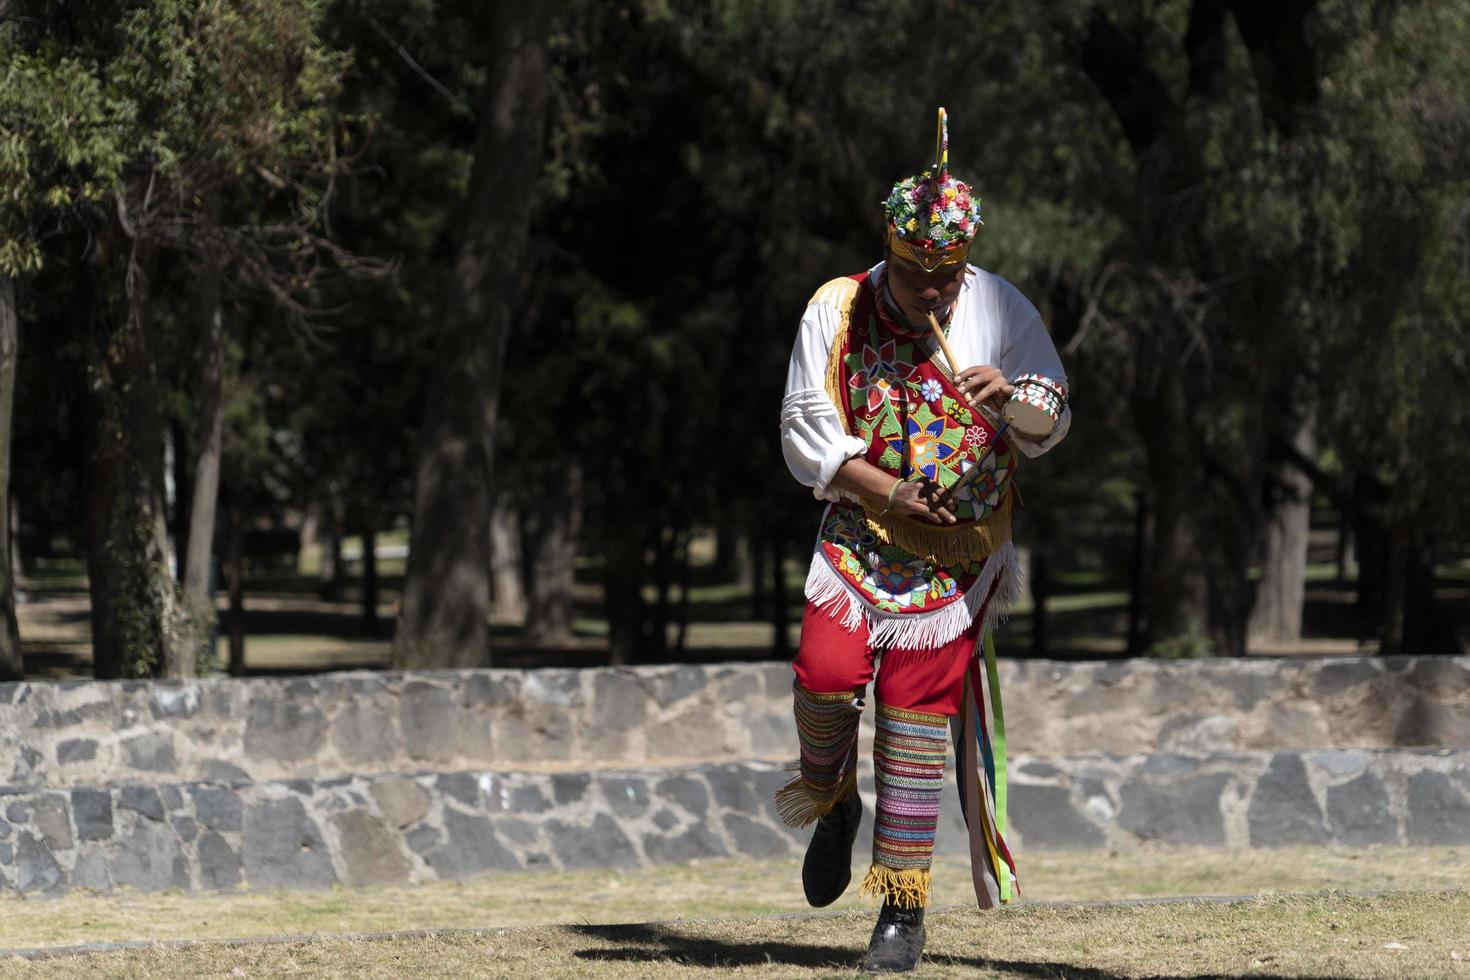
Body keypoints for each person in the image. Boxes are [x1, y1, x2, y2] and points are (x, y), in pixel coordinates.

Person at [776, 108, 1071, 973]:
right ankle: (832, 800)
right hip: (864, 535)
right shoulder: (838, 309)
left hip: (958, 559)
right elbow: (806, 431)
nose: (937, 295)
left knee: (914, 728)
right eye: (919, 279)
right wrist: (890, 488)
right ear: (892, 254)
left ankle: (900, 915)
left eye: (949, 278)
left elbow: (1052, 411)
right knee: (824, 681)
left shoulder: (999, 307)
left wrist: (1008, 395)